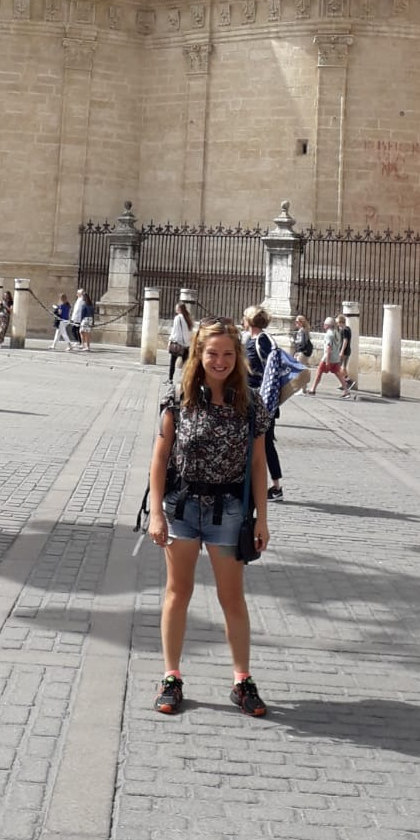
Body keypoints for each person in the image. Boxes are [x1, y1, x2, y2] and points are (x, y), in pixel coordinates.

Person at [148, 318, 270, 718]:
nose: (220, 361)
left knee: (231, 597)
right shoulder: (178, 397)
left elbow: (258, 463)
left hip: (228, 511)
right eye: (212, 353)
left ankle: (242, 680)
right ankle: (171, 677)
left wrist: (262, 518)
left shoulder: (250, 403)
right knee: (177, 592)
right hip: (181, 508)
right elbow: (160, 458)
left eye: (228, 354)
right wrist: (155, 513)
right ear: (198, 355)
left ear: (238, 357)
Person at [243, 305, 283, 501]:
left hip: (261, 402)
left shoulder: (262, 341)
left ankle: (276, 487)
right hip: (250, 400)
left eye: (244, 317)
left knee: (265, 443)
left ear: (249, 320)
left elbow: (270, 372)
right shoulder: (250, 340)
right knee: (257, 442)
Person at [307, 316, 346, 395]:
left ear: (328, 325)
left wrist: (327, 361)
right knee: (338, 374)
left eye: (325, 324)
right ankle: (346, 390)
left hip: (327, 358)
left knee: (319, 372)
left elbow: (328, 348)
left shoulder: (329, 335)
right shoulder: (337, 333)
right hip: (336, 358)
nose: (323, 325)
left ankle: (313, 389)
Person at [168, 301, 193, 382]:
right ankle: (186, 380)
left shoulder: (178, 318)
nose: (175, 309)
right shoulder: (188, 318)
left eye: (176, 307)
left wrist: (170, 340)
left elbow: (175, 331)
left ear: (179, 309)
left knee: (173, 362)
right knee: (186, 364)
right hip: (187, 345)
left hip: (178, 343)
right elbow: (190, 332)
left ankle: (170, 379)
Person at [336, 311, 356, 393]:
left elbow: (345, 341)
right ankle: (345, 382)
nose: (337, 325)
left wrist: (341, 351)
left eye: (338, 323)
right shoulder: (348, 329)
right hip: (347, 351)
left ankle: (348, 381)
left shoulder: (344, 330)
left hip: (344, 351)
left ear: (341, 322)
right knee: (342, 367)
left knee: (340, 367)